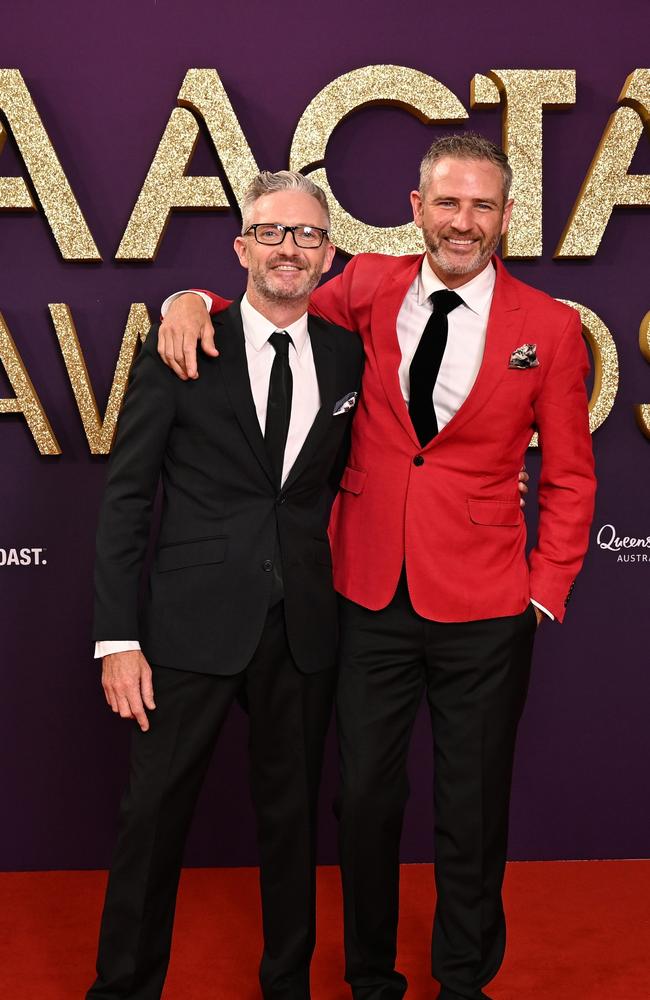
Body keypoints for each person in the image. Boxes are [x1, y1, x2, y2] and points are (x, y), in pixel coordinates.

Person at [156, 134, 596, 1000]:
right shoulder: (366, 284)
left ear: (506, 217)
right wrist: (192, 294)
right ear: (415, 208)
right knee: (362, 803)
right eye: (446, 203)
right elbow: (273, 296)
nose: (461, 222)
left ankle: (464, 980)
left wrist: (542, 594)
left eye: (480, 206)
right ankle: (369, 978)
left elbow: (572, 475)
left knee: (471, 810)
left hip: (488, 603)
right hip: (366, 594)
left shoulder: (549, 327)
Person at [88, 170, 364, 1000]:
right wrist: (117, 638)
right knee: (152, 819)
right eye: (273, 232)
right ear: (242, 246)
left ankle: (288, 985)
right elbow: (127, 498)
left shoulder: (351, 352)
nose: (291, 248)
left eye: (308, 235)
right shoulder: (182, 343)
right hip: (189, 623)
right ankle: (123, 990)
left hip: (305, 624)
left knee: (292, 825)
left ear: (328, 254)